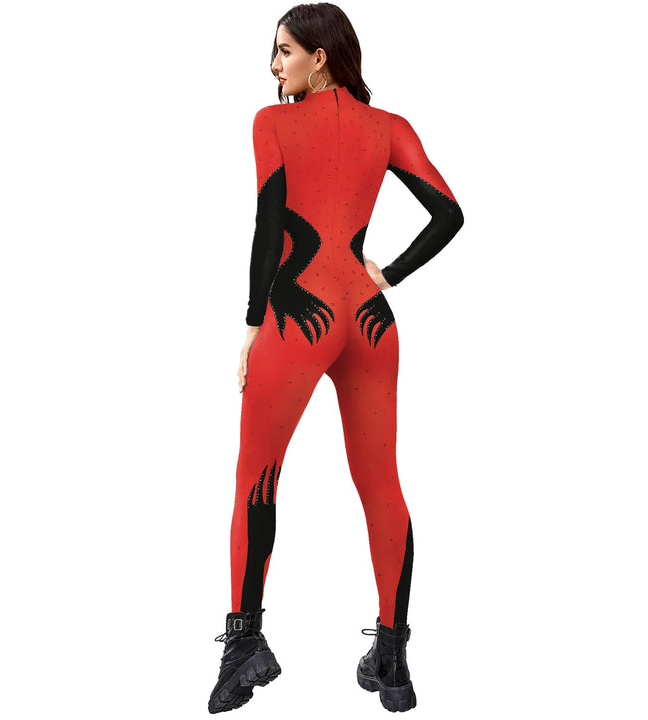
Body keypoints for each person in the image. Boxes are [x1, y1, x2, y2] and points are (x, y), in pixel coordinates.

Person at [208, 3, 464, 714]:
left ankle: (243, 647)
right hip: (370, 320)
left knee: (257, 475)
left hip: (300, 313)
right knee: (382, 484)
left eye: (284, 51)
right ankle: (393, 657)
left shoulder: (272, 123)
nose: (274, 67)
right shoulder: (389, 128)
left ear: (320, 56)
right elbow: (449, 214)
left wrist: (254, 324)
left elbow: (269, 226)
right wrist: (389, 275)